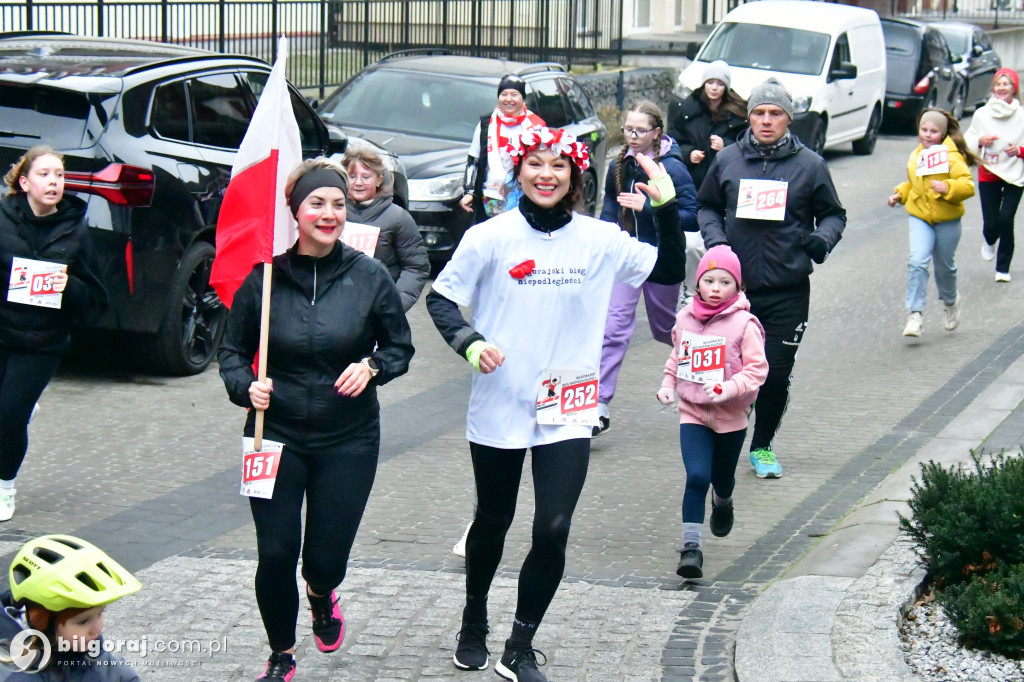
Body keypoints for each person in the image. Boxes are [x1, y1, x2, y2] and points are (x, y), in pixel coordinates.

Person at [427, 127, 685, 682]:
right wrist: (470, 343)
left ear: (575, 177)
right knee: (492, 521)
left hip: (567, 401)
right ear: (519, 174)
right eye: (536, 165)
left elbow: (666, 272)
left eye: (559, 167)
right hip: (500, 399)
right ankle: (474, 621)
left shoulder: (599, 238)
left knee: (554, 526)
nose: (547, 175)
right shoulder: (489, 236)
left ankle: (519, 646)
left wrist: (666, 206)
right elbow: (442, 298)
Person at [218, 158, 414, 682]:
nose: (329, 214)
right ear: (296, 212)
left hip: (347, 438)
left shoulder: (369, 276)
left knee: (322, 560)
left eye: (338, 205)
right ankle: (281, 653)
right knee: (276, 552)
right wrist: (246, 385)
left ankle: (323, 593)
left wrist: (372, 365)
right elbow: (232, 352)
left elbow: (400, 348)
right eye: (317, 204)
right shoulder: (264, 276)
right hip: (272, 435)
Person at [698, 78, 846, 479]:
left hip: (787, 288)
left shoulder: (810, 165)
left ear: (788, 119)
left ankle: (762, 445)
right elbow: (707, 205)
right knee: (725, 371)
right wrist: (718, 245)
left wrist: (821, 239)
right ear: (749, 117)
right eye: (759, 113)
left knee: (774, 373)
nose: (766, 121)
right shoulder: (728, 159)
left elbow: (835, 213)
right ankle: (717, 440)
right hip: (733, 292)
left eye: (775, 113)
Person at [0, 146, 107, 522]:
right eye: (45, 174)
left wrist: (66, 286)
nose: (54, 182)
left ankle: (4, 487)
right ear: (25, 182)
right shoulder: (2, 221)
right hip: (1, 330)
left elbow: (96, 300)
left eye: (59, 175)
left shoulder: (75, 230)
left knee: (8, 417)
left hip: (42, 341)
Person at [655, 245, 767, 579]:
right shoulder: (685, 318)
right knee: (697, 476)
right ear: (698, 283)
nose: (716, 288)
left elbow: (757, 370)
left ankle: (724, 501)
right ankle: (691, 549)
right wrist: (667, 384)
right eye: (709, 280)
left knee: (722, 478)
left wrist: (727, 389)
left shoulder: (745, 325)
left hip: (731, 416)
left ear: (738, 287)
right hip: (692, 412)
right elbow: (677, 356)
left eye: (725, 282)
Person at [595, 100, 699, 437]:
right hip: (626, 256)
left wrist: (653, 206)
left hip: (661, 256)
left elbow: (691, 215)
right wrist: (604, 237)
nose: (633, 136)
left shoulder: (673, 168)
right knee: (613, 328)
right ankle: (598, 405)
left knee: (664, 328)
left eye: (640, 130)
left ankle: (708, 366)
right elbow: (610, 208)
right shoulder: (618, 165)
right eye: (628, 129)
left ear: (657, 132)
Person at [0, 534, 141, 681]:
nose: (97, 629)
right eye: (83, 621)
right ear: (41, 620)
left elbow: (117, 674)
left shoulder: (86, 648)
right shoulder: (19, 676)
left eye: (100, 614)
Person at [888, 109, 976, 338]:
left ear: (943, 133)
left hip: (947, 219)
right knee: (917, 260)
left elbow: (967, 185)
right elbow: (913, 184)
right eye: (924, 130)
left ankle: (950, 301)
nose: (927, 135)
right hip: (921, 216)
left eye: (934, 131)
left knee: (944, 266)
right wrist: (899, 194)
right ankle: (914, 315)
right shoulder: (916, 155)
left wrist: (947, 188)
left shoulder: (952, 156)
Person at [341, 146, 430, 310]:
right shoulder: (334, 214)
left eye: (366, 177)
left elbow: (416, 267)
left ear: (379, 180)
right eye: (352, 176)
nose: (358, 182)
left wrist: (394, 306)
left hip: (378, 309)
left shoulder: (397, 217)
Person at [460, 74, 546, 224]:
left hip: (525, 197)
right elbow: (473, 160)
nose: (508, 99)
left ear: (522, 98)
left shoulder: (536, 126)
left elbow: (543, 163)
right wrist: (469, 192)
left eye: (514, 94)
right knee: (493, 238)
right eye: (504, 94)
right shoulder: (486, 125)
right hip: (491, 196)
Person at [964, 67, 1024, 282]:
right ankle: (990, 240)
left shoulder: (1022, 115)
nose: (1001, 88)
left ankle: (1003, 268)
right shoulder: (982, 114)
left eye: (1006, 84)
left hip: (1015, 173)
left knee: (1006, 219)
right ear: (993, 88)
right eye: (998, 84)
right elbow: (969, 139)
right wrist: (981, 141)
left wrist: (1019, 151)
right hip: (989, 170)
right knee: (991, 223)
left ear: (1014, 88)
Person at [671, 60, 748, 192]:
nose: (714, 88)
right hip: (690, 181)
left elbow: (746, 146)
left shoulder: (738, 114)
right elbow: (672, 142)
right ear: (704, 84)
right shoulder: (688, 109)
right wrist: (688, 154)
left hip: (722, 182)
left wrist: (725, 145)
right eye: (710, 82)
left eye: (720, 84)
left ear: (726, 87)